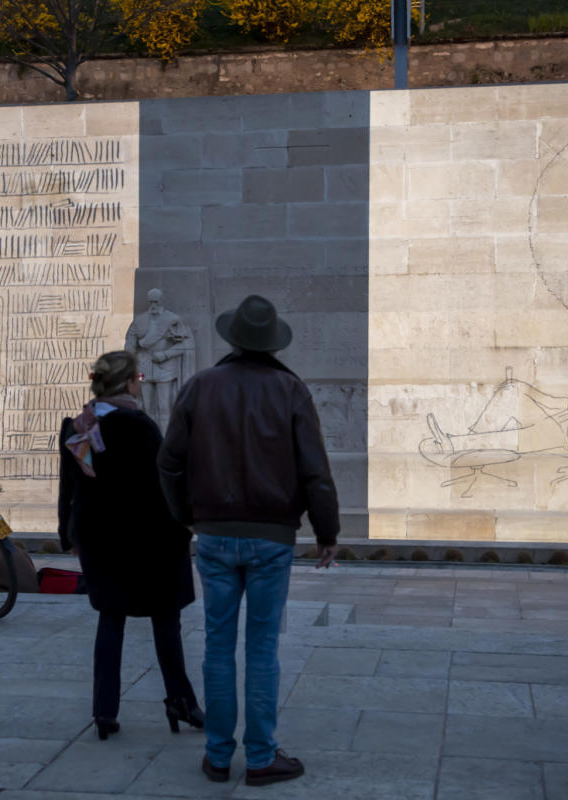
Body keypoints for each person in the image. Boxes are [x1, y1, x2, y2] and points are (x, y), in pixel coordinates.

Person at [157, 295, 340, 787]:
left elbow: (169, 462)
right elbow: (315, 472)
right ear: (270, 341)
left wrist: (186, 517)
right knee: (262, 648)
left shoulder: (199, 387)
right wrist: (327, 532)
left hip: (214, 535)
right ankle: (260, 758)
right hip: (272, 538)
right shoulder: (290, 390)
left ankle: (218, 756)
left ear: (233, 338)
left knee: (218, 645)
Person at [57, 350, 203, 741]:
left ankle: (104, 712)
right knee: (165, 620)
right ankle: (181, 700)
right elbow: (163, 485)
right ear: (128, 383)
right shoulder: (139, 425)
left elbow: (69, 490)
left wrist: (69, 536)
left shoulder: (76, 426)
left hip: (100, 540)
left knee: (111, 621)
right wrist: (185, 529)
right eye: (138, 375)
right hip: (148, 540)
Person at [423, 354, 568, 455]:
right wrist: (527, 390)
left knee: (512, 437)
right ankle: (473, 438)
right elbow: (559, 403)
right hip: (556, 419)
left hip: (564, 432)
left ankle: (455, 445)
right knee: (512, 387)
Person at [124, 288, 194, 431]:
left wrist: (165, 355)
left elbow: (186, 345)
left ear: (161, 301)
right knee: (146, 408)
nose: (153, 305)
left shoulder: (173, 319)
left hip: (165, 368)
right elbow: (130, 345)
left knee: (164, 408)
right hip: (144, 368)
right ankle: (151, 439)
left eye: (156, 302)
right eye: (151, 302)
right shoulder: (139, 321)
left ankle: (164, 439)